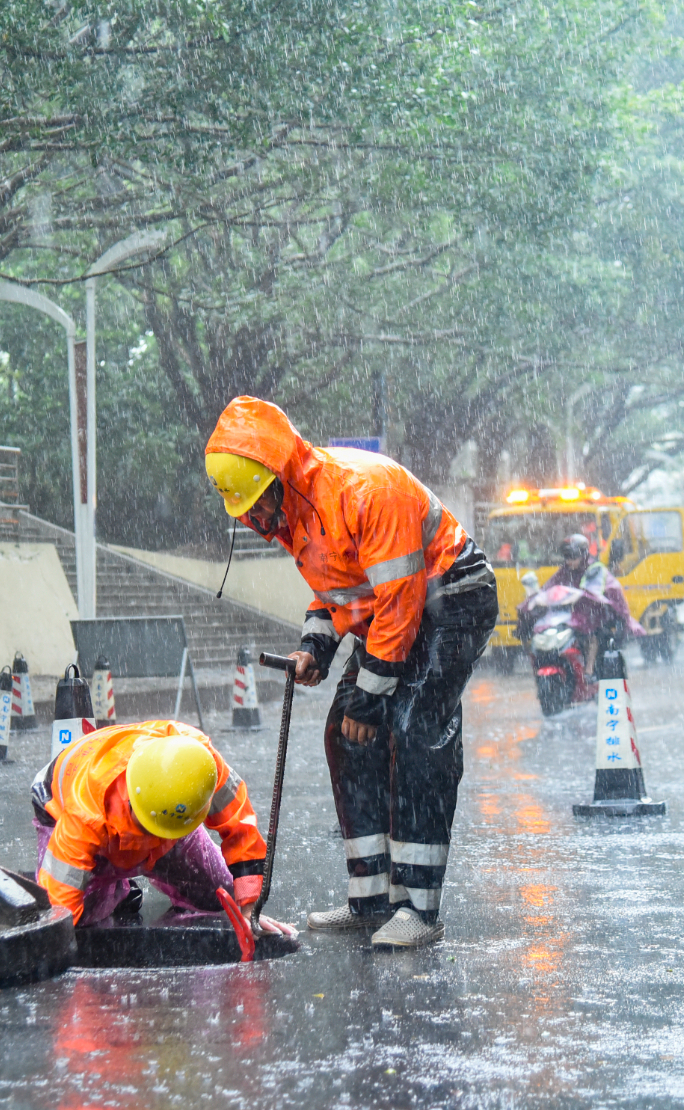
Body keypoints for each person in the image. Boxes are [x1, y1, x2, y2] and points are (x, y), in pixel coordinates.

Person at [204, 396, 498, 949]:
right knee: (345, 735)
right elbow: (336, 592)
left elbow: (401, 601)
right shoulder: (296, 516)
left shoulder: (365, 489)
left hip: (453, 598)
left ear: (281, 478)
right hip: (394, 616)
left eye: (257, 507)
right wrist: (315, 644)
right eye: (244, 512)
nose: (252, 520)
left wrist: (370, 697)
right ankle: (370, 899)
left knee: (415, 731)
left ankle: (419, 907)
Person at [32, 719, 295, 936]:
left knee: (220, 895)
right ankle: (114, 885)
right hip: (65, 809)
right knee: (84, 916)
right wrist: (61, 943)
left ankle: (125, 871)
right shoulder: (85, 813)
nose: (154, 838)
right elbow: (60, 906)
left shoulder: (200, 769)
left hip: (170, 820)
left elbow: (241, 831)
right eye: (149, 829)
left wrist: (249, 906)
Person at [542, 533, 641, 674]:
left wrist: (582, 597)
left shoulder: (595, 569)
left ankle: (589, 670)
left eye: (573, 556)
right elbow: (550, 586)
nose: (569, 561)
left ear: (583, 555)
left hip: (598, 614)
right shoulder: (565, 570)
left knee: (591, 634)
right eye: (566, 557)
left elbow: (595, 592)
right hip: (571, 615)